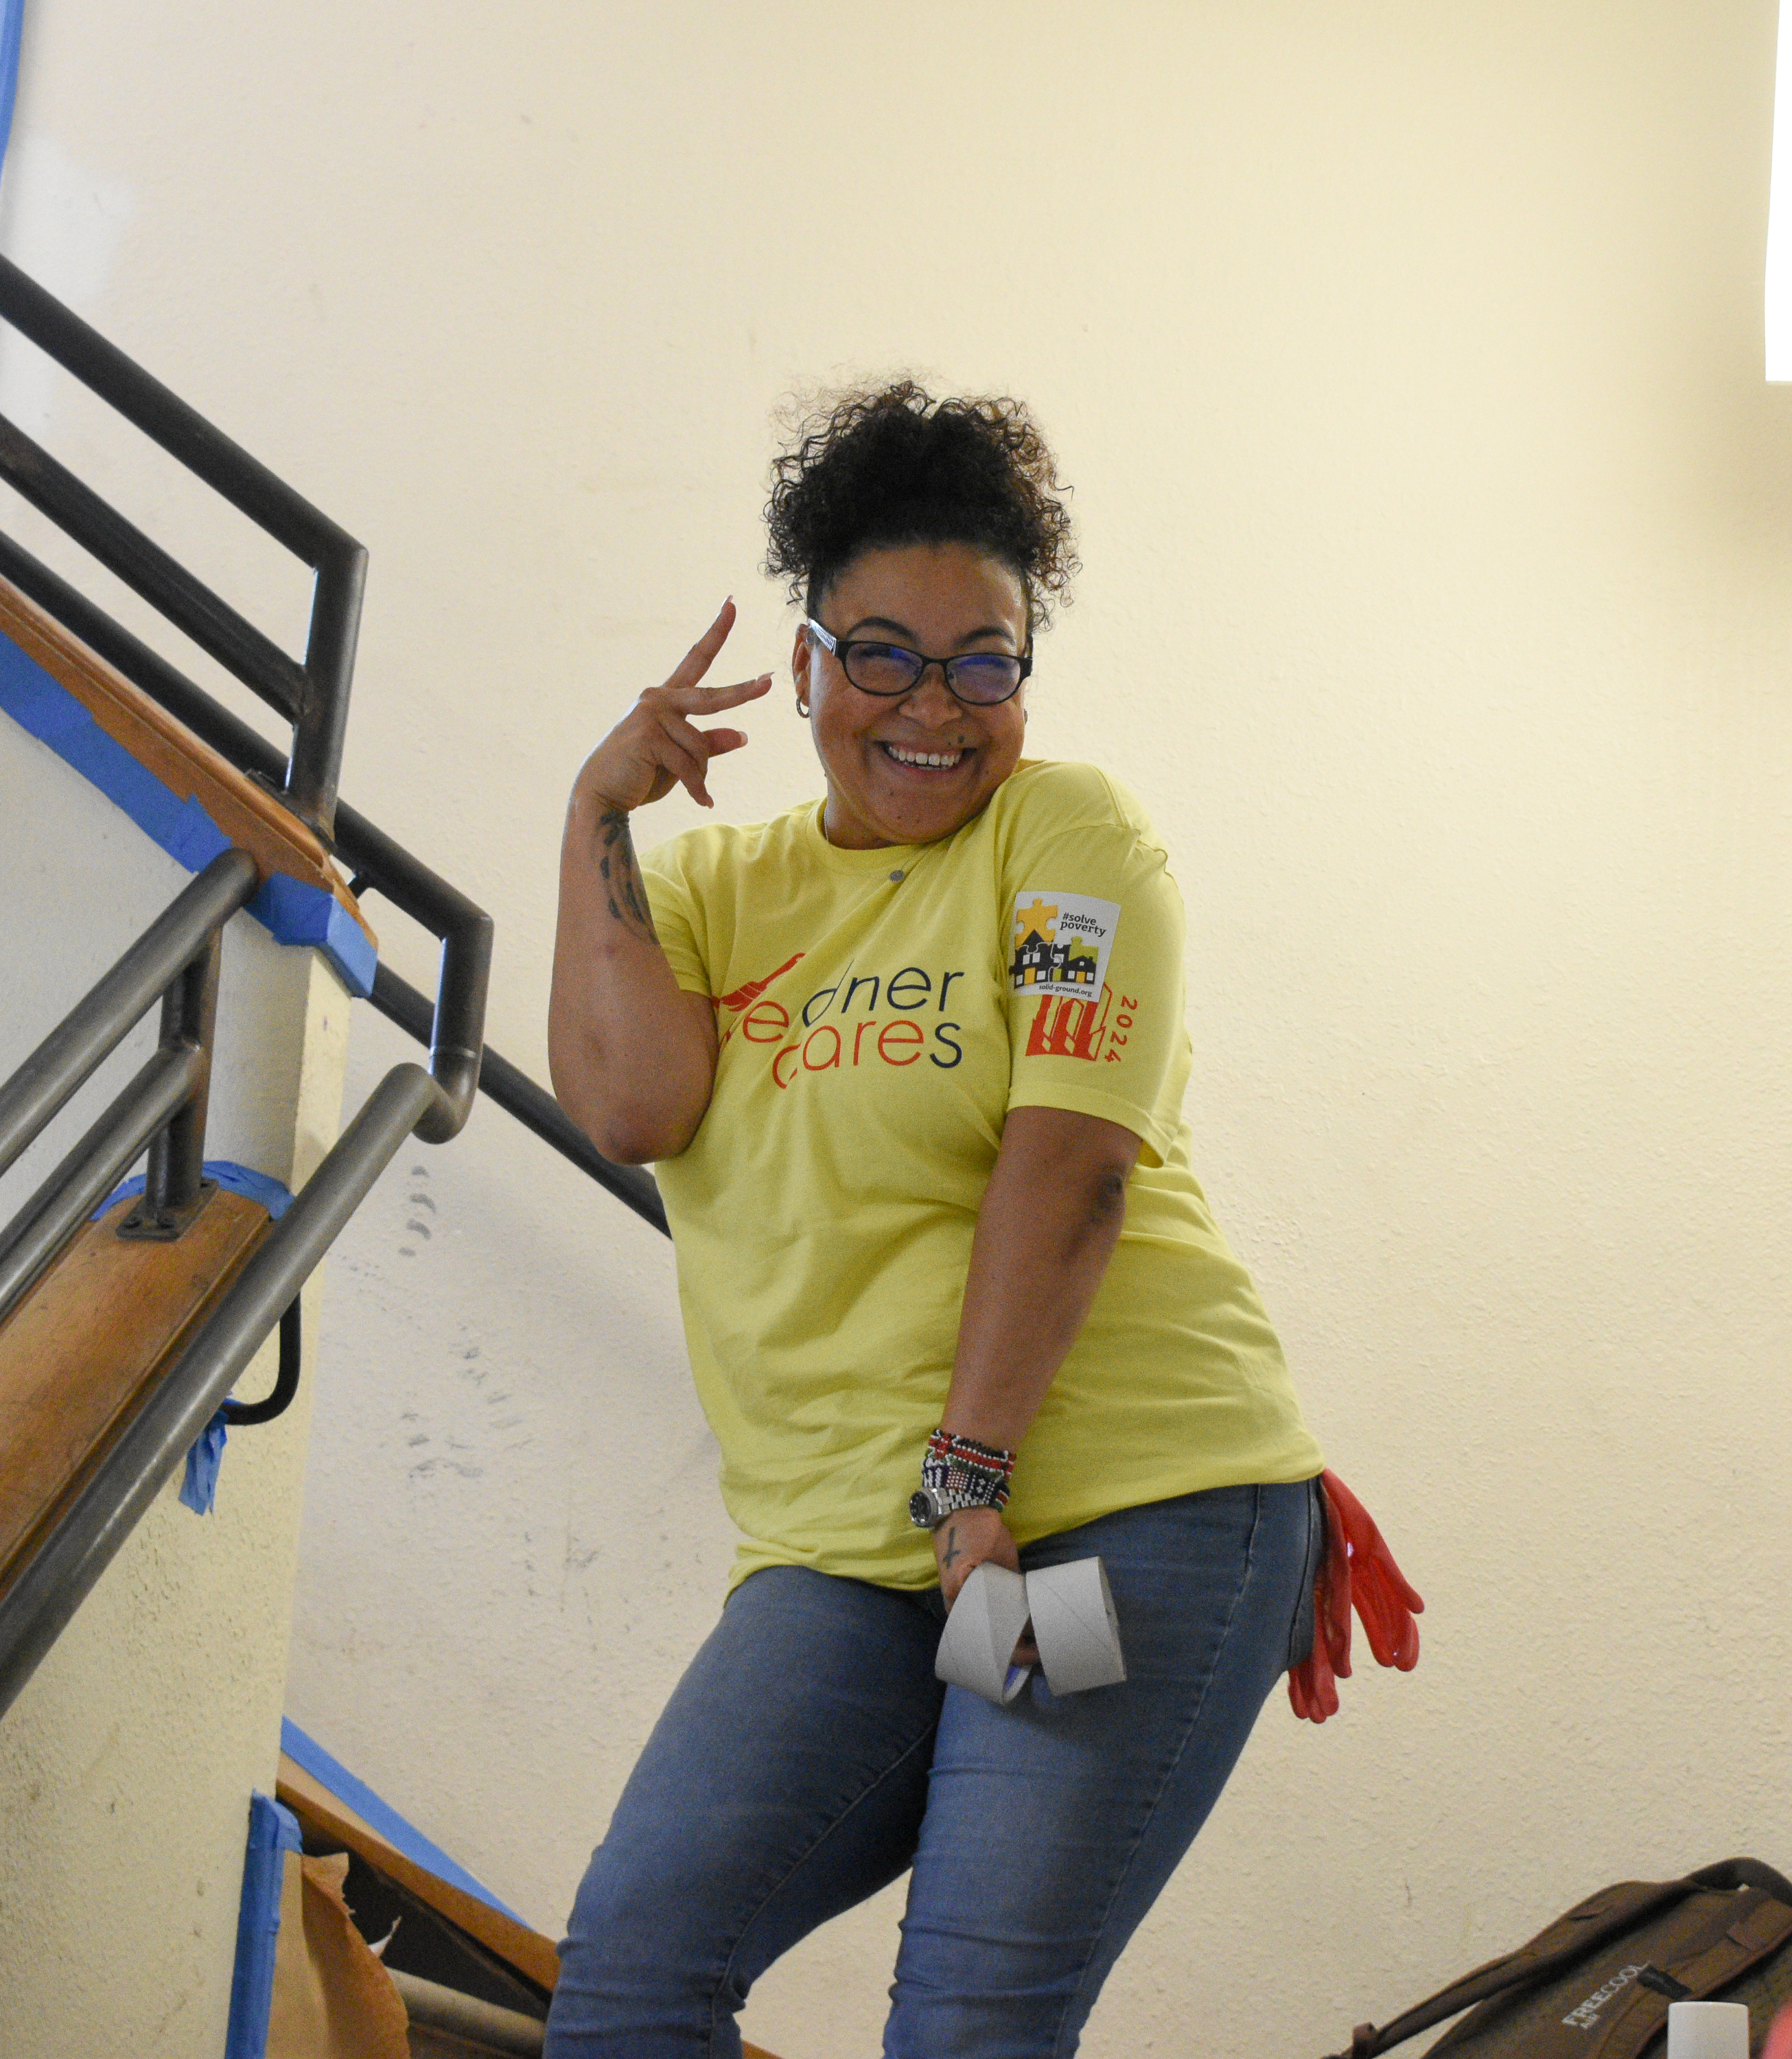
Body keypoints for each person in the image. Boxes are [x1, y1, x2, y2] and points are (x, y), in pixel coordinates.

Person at [540, 381, 1327, 2058]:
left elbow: (1072, 1165)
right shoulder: (699, 891)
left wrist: (971, 1484)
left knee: (968, 2029)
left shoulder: (1065, 837)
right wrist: (594, 815)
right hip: (843, 1550)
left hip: (1133, 1508)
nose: (935, 705)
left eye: (987, 662)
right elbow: (628, 1109)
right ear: (806, 659)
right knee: (628, 1977)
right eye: (884, 651)